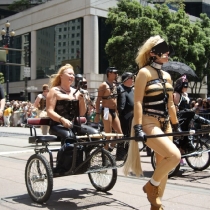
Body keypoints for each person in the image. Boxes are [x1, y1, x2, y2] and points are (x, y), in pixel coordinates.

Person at [124, 35, 181, 210]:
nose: (167, 53)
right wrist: (138, 126)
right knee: (175, 156)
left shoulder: (167, 75)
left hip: (166, 123)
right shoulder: (144, 72)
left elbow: (170, 103)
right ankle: (151, 186)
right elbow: (138, 101)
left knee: (163, 161)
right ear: (152, 53)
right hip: (149, 122)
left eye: (167, 50)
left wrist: (176, 125)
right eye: (163, 50)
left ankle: (156, 204)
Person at [46, 64, 86, 145]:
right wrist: (62, 120)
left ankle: (85, 155)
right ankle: (65, 157)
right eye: (69, 74)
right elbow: (49, 111)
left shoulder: (76, 91)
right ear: (61, 76)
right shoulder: (54, 90)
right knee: (70, 136)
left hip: (74, 125)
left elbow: (82, 113)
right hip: (57, 125)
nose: (72, 76)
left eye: (73, 74)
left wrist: (82, 100)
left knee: (95, 134)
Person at [94, 67, 123, 151]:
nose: (116, 74)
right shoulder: (103, 85)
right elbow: (98, 100)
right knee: (108, 134)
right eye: (115, 73)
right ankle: (105, 154)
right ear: (109, 73)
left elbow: (115, 99)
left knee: (120, 134)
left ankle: (110, 148)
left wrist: (116, 111)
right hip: (106, 110)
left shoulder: (115, 85)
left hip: (114, 111)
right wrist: (97, 114)